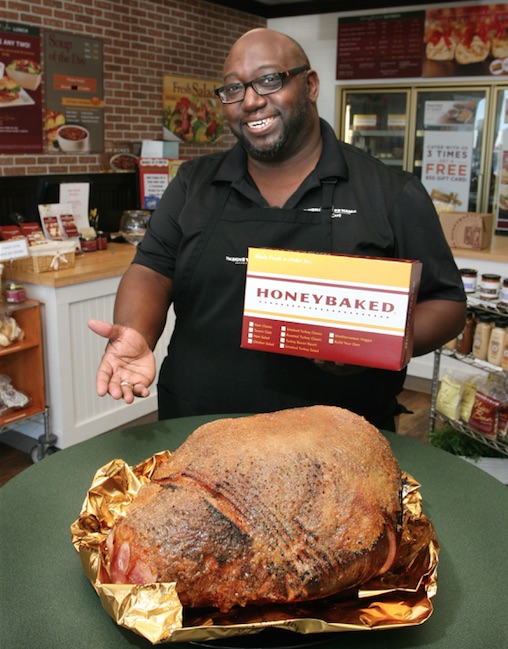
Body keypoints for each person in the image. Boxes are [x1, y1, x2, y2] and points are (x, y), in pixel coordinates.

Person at [88, 28, 466, 431]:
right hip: (199, 427)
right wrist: (136, 332)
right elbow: (151, 269)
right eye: (233, 89)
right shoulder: (192, 184)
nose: (250, 101)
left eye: (270, 80)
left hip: (339, 435)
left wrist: (377, 345)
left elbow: (447, 304)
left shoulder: (391, 192)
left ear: (311, 84)